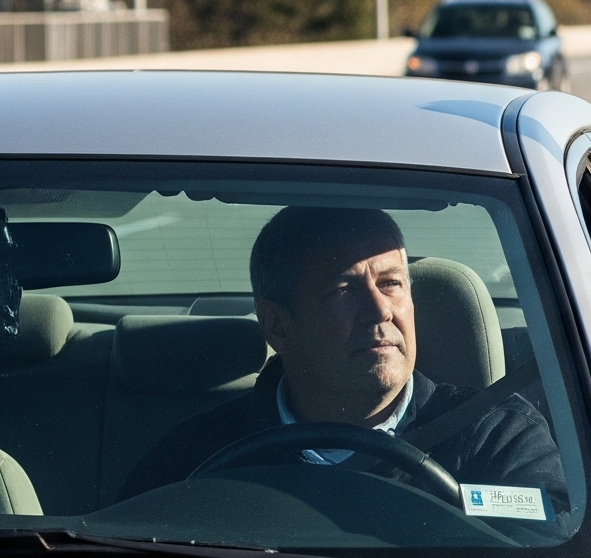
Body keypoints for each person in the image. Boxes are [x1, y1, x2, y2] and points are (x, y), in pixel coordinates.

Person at [122, 206, 565, 508]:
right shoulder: (197, 459)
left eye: (391, 283)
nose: (380, 310)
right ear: (278, 326)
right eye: (343, 290)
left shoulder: (498, 441)